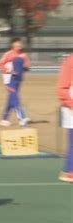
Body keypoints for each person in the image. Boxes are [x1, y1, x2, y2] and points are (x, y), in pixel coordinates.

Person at [0, 37, 31, 127]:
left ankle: (4, 119)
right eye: (16, 43)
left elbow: (28, 66)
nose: (18, 45)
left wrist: (23, 68)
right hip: (9, 79)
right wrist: (8, 70)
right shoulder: (8, 54)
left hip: (18, 79)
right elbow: (0, 64)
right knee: (15, 97)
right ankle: (22, 117)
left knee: (11, 99)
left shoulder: (24, 55)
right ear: (12, 44)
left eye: (20, 43)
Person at [57, 54, 73, 182]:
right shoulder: (70, 60)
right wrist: (70, 103)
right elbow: (62, 88)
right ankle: (70, 171)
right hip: (71, 107)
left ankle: (68, 170)